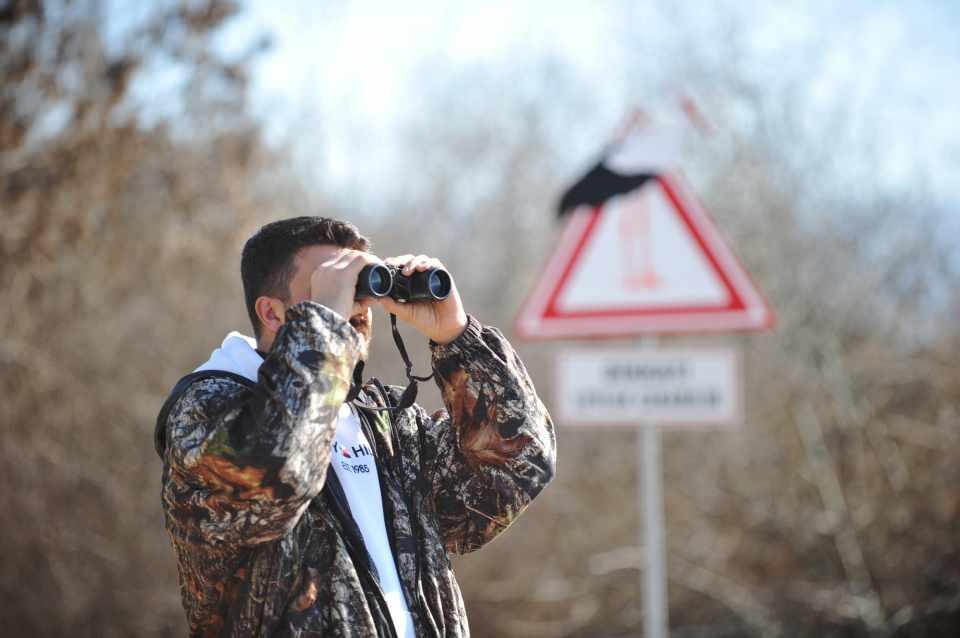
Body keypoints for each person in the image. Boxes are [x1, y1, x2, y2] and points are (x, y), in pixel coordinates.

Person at [154, 216, 557, 637]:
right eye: (330, 284)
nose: (354, 306)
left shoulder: (385, 423)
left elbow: (517, 467)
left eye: (359, 285)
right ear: (272, 312)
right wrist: (325, 321)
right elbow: (280, 473)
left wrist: (457, 336)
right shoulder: (207, 412)